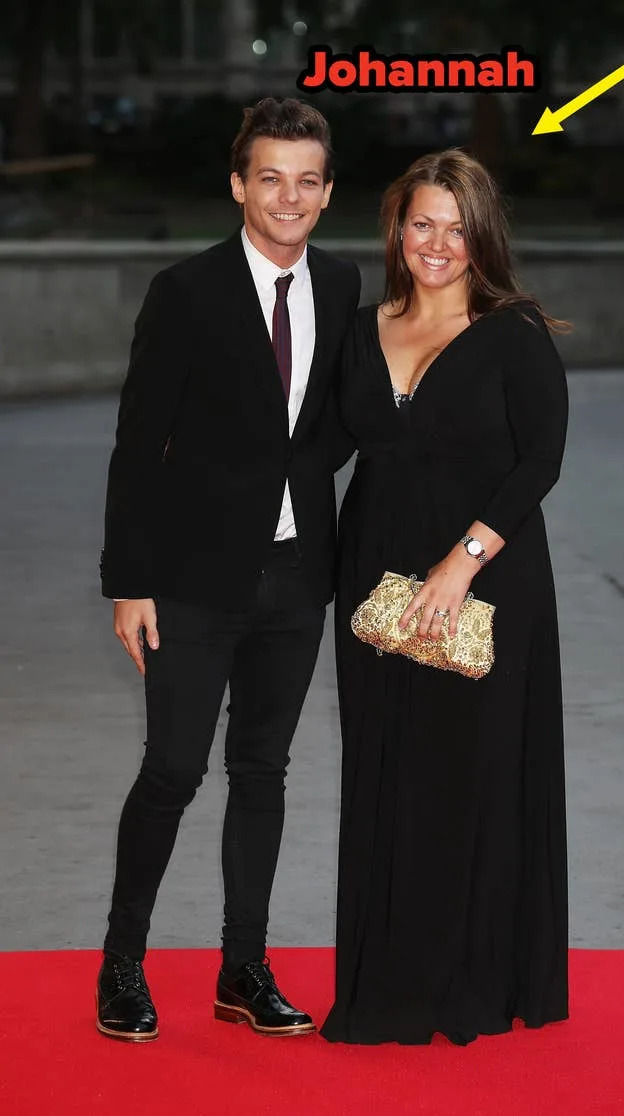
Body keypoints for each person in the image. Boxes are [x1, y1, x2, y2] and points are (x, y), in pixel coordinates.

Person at [96, 97, 361, 1042]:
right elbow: (138, 445)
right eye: (270, 177)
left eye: (306, 180)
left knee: (263, 771)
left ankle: (241, 969)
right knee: (171, 769)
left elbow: (328, 421)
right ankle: (121, 964)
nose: (287, 196)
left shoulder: (338, 285)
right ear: (239, 185)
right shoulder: (186, 291)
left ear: (326, 194)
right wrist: (127, 582)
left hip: (297, 578)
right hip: (190, 581)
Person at [321, 149, 569, 1046]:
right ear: (397, 227)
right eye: (421, 222)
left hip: (486, 578)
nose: (436, 242)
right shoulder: (358, 329)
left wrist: (461, 562)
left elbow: (539, 459)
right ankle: (387, 985)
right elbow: (312, 447)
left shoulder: (515, 332)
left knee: (469, 773)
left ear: (481, 237)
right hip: (374, 584)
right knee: (385, 770)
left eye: (455, 228)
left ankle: (470, 984)